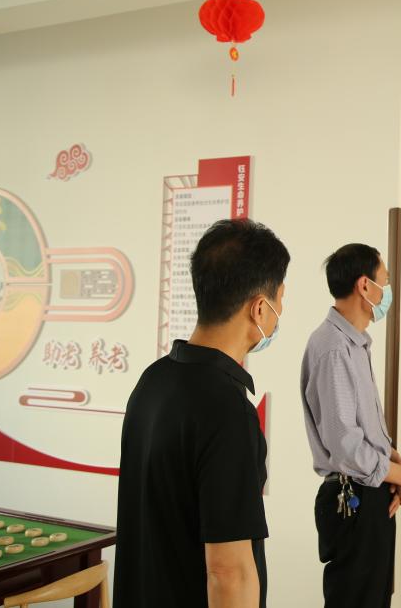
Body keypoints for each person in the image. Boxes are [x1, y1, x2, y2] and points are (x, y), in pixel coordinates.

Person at [115, 219, 289, 608]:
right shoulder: (227, 410)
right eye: (280, 300)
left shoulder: (153, 381)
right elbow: (229, 572)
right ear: (260, 309)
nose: (281, 312)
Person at [300, 243, 401, 608]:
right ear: (365, 285)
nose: (388, 290)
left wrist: (391, 456)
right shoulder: (334, 348)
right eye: (385, 280)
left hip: (369, 492)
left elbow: (361, 426)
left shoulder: (354, 343)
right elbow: (346, 446)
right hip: (353, 499)